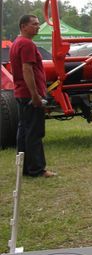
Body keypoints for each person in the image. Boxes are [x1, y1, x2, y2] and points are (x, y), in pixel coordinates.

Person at [10, 15, 56, 177]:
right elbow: (27, 70)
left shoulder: (16, 43)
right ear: (23, 26)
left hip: (21, 93)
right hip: (29, 95)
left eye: (38, 24)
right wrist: (35, 95)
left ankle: (24, 167)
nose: (37, 27)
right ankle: (37, 169)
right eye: (34, 24)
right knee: (34, 132)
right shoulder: (27, 44)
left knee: (24, 131)